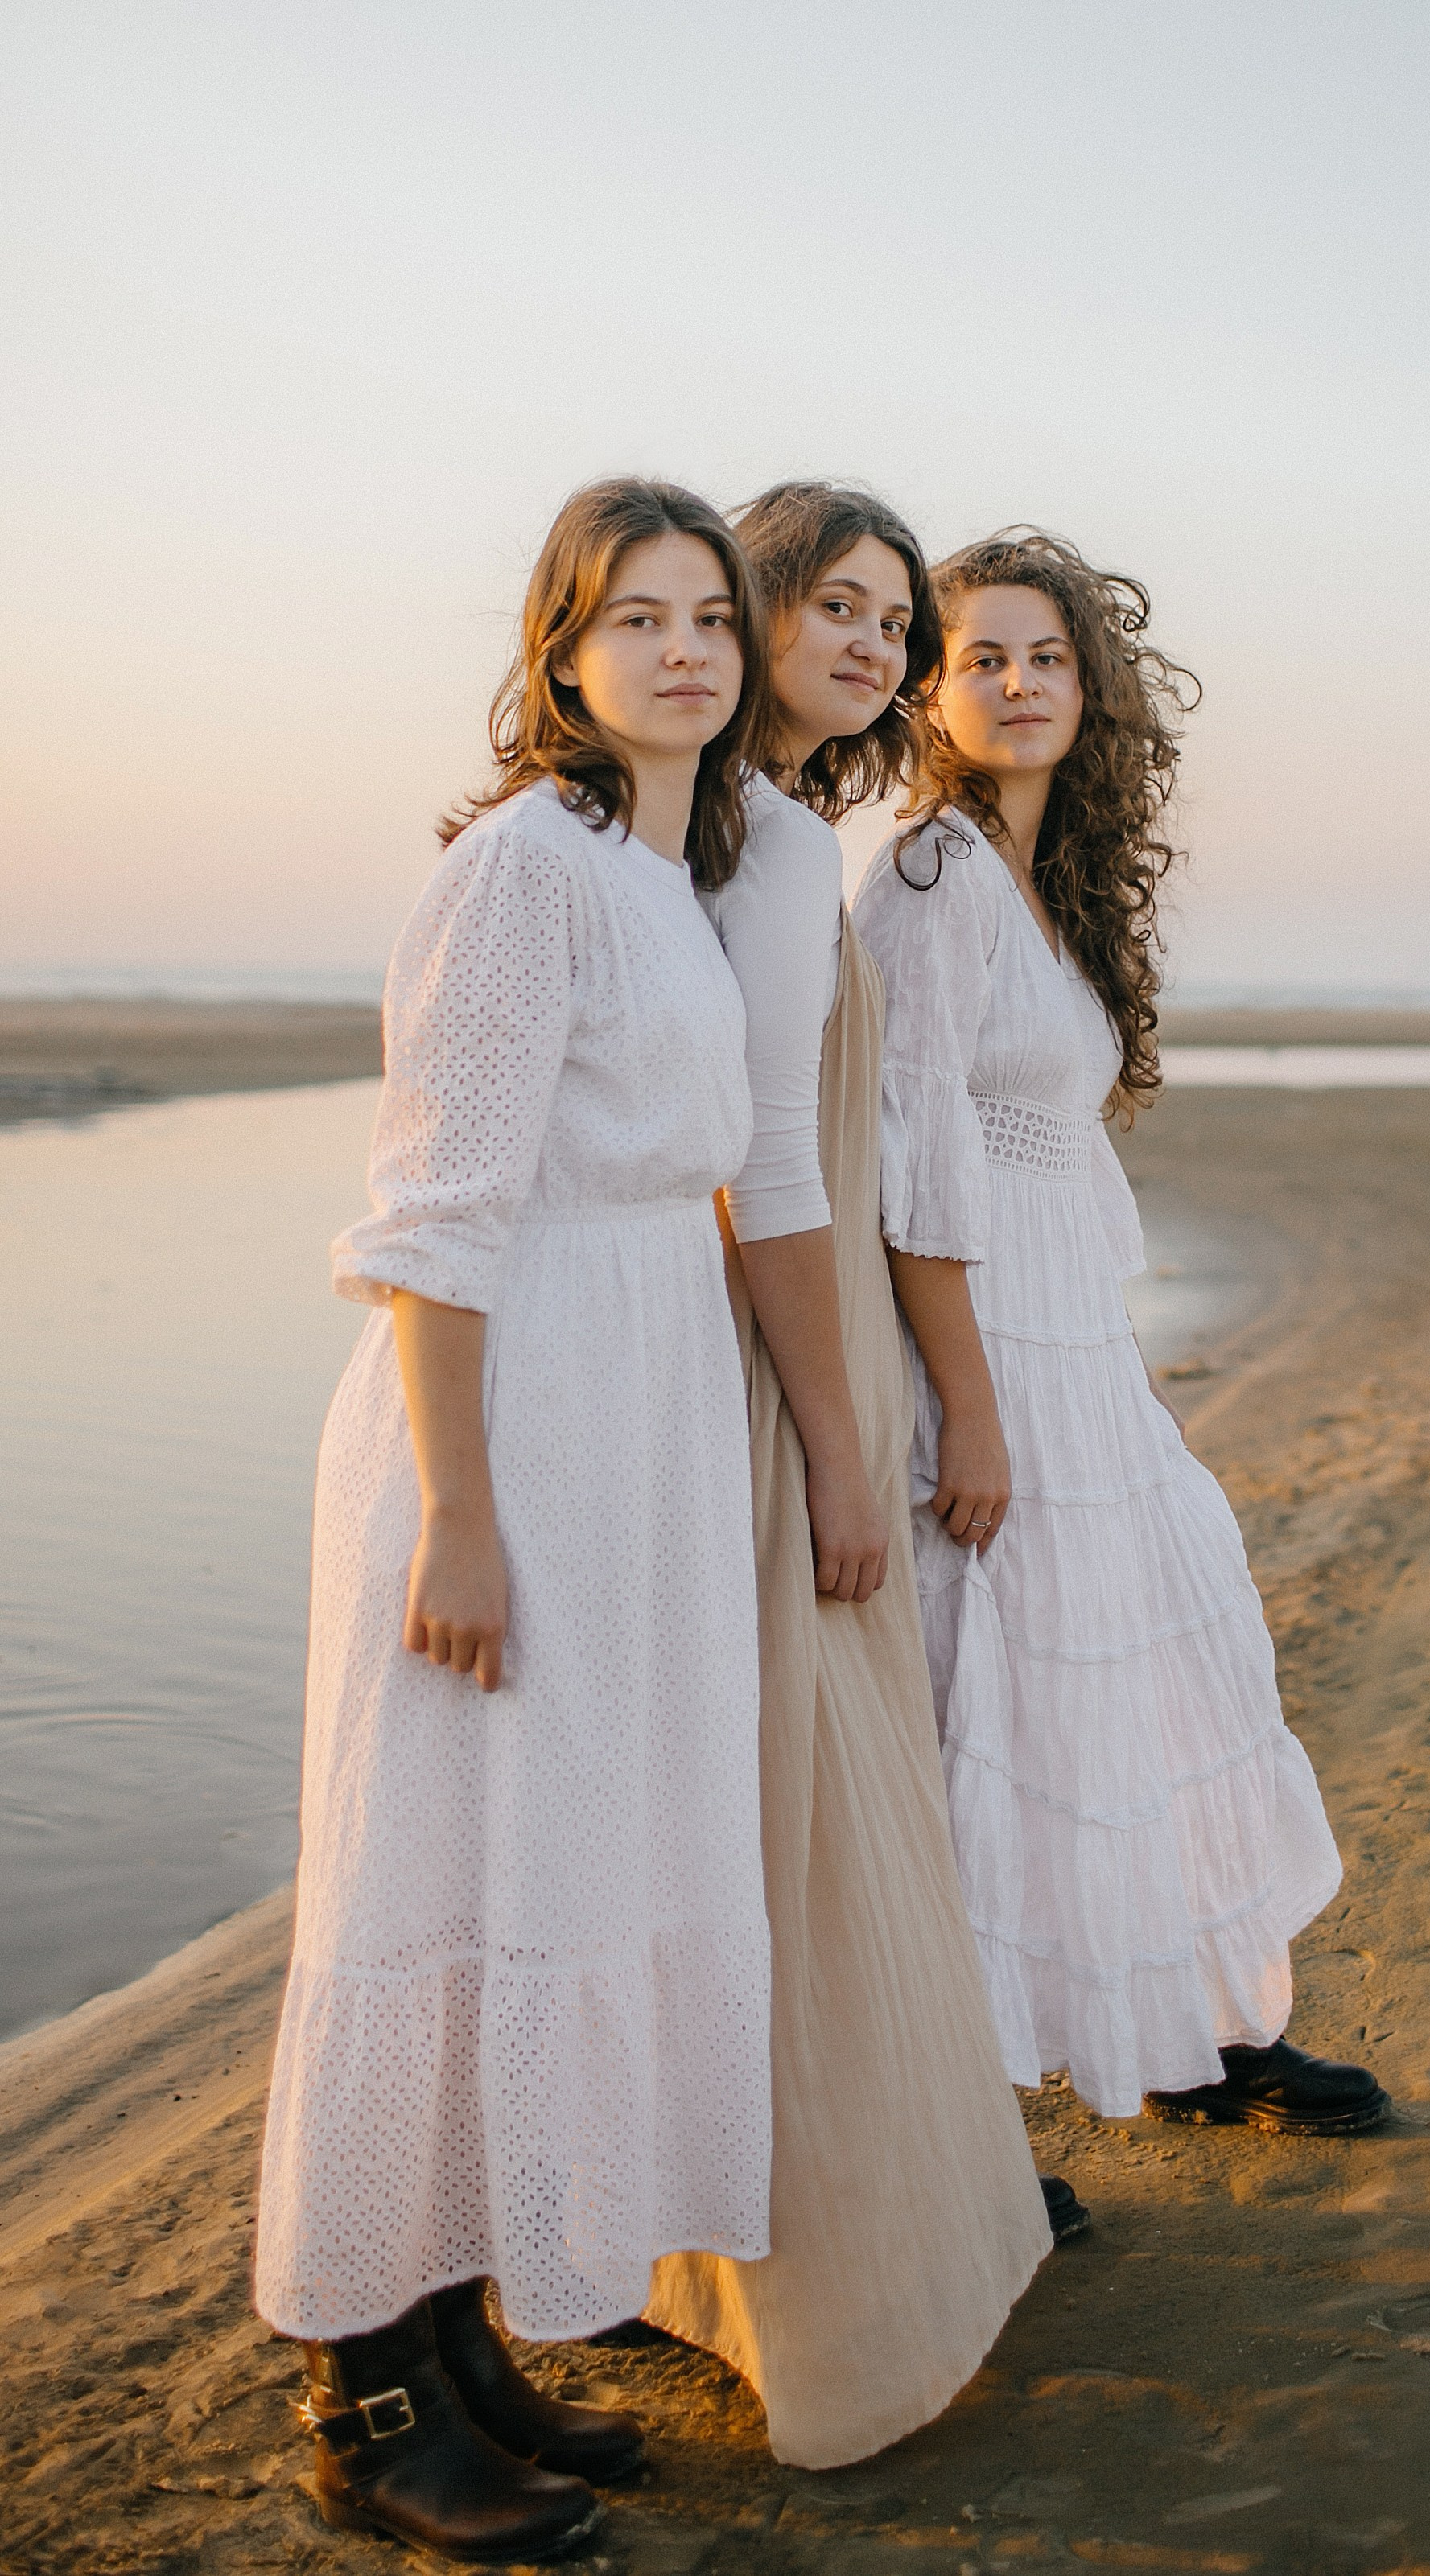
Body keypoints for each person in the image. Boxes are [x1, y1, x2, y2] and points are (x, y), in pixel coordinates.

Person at [254, 479, 777, 2559]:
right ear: (558, 655)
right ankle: (365, 2400)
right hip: (504, 1422)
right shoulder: (519, 872)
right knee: (425, 1880)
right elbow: (434, 1220)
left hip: (629, 1412)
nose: (681, 649)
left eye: (709, 617)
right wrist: (456, 1516)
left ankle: (470, 2347)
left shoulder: (663, 870)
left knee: (543, 1863)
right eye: (632, 617)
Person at [852, 529, 1384, 2138]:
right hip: (985, 1358)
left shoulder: (1036, 877)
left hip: (1070, 1343)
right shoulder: (928, 878)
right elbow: (909, 1177)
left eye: (1048, 658)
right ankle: (966, 2133)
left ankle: (1195, 2033)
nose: (1020, 685)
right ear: (930, 694)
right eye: (983, 659)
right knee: (1000, 1722)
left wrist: (1086, 1364)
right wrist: (974, 1411)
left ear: (1091, 688)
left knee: (1158, 1678)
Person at [645, 484, 1053, 2471]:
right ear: (750, 598)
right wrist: (843, 1443)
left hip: (744, 1357)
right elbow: (772, 1171)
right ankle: (825, 2286)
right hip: (765, 1374)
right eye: (840, 601)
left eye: (903, 617)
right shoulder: (767, 843)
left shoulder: (738, 829)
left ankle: (719, 2260)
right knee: (800, 1818)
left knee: (765, 1810)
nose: (882, 643)